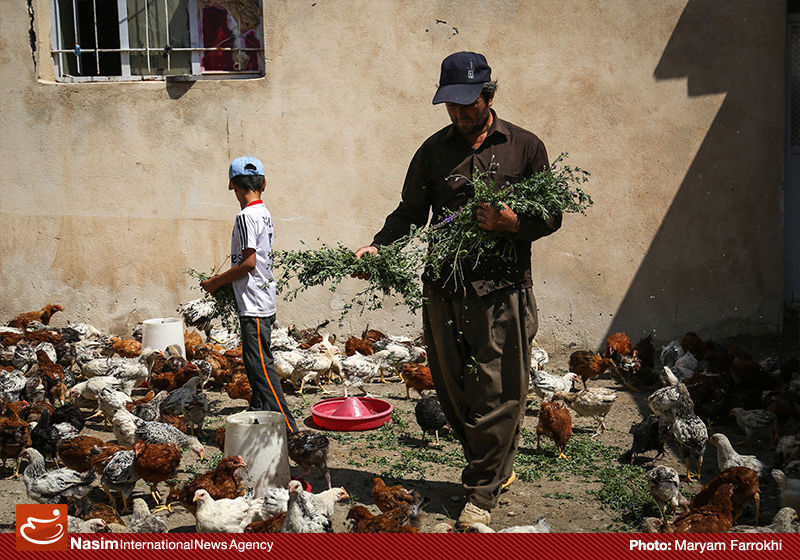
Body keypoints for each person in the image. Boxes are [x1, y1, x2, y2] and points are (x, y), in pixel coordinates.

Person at [354, 52, 562, 529]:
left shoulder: (525, 147)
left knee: (499, 389)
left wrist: (514, 222)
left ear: (489, 95)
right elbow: (409, 213)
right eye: (451, 105)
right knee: (453, 391)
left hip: (501, 290)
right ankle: (494, 466)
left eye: (468, 104)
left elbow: (551, 214)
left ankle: (480, 493)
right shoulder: (433, 151)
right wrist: (379, 247)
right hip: (444, 289)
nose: (460, 113)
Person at [201, 156, 298, 434]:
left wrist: (216, 282)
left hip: (254, 301)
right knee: (254, 362)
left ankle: (290, 433)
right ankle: (258, 417)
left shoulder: (245, 216)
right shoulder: (264, 212)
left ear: (233, 185)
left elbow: (248, 264)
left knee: (260, 368)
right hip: (263, 296)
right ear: (264, 184)